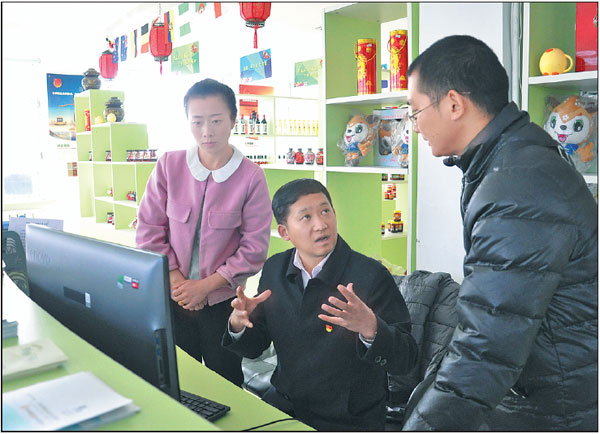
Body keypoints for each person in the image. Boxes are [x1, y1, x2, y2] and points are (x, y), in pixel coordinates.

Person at [401, 35, 597, 431]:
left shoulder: (517, 186)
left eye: (415, 110)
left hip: (553, 404)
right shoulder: (511, 162)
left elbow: (486, 346)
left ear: (454, 104)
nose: (414, 125)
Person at [222, 178, 418, 431]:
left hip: (349, 418)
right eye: (306, 217)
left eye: (325, 211)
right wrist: (238, 324)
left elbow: (406, 359)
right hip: (286, 404)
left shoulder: (370, 275)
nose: (321, 224)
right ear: (284, 232)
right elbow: (255, 346)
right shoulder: (274, 269)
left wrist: (371, 328)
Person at [136, 79, 272, 387]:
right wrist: (179, 284)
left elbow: (254, 248)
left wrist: (204, 288)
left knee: (224, 379)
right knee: (176, 377)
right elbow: (148, 229)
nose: (207, 131)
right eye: (197, 122)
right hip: (172, 295)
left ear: (233, 120)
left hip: (222, 301)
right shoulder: (169, 165)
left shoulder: (251, 178)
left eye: (216, 121)